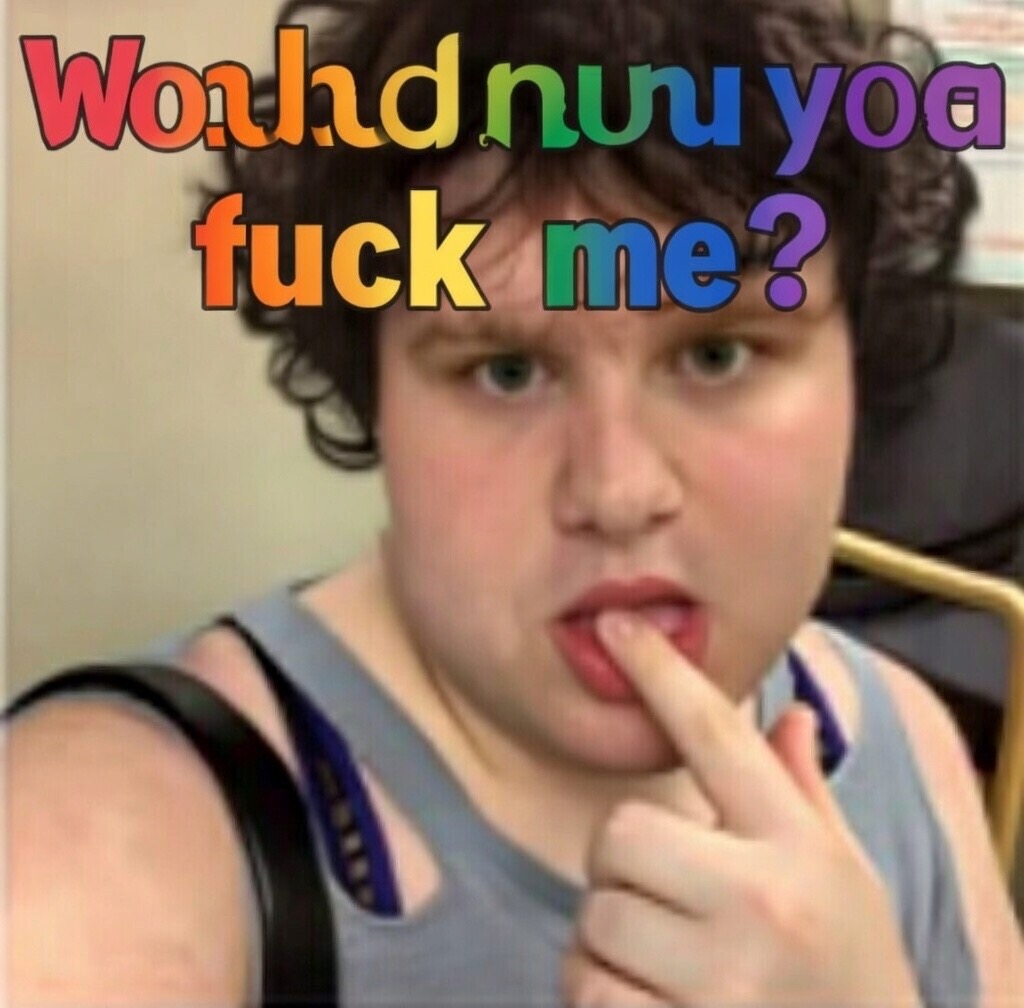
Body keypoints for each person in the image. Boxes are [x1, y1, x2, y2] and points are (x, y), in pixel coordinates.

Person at [8, 0, 1024, 1005]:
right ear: (375, 393)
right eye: (506, 372)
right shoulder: (106, 851)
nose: (617, 493)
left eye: (716, 354)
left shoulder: (909, 741)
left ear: (854, 365)